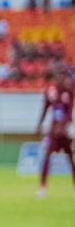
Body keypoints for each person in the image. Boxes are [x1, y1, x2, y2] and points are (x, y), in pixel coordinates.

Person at [35, 70, 75, 198]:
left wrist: (65, 125)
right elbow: (45, 108)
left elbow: (69, 112)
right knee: (47, 156)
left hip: (65, 131)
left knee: (71, 159)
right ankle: (43, 187)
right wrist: (40, 124)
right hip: (53, 131)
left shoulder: (68, 92)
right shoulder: (50, 92)